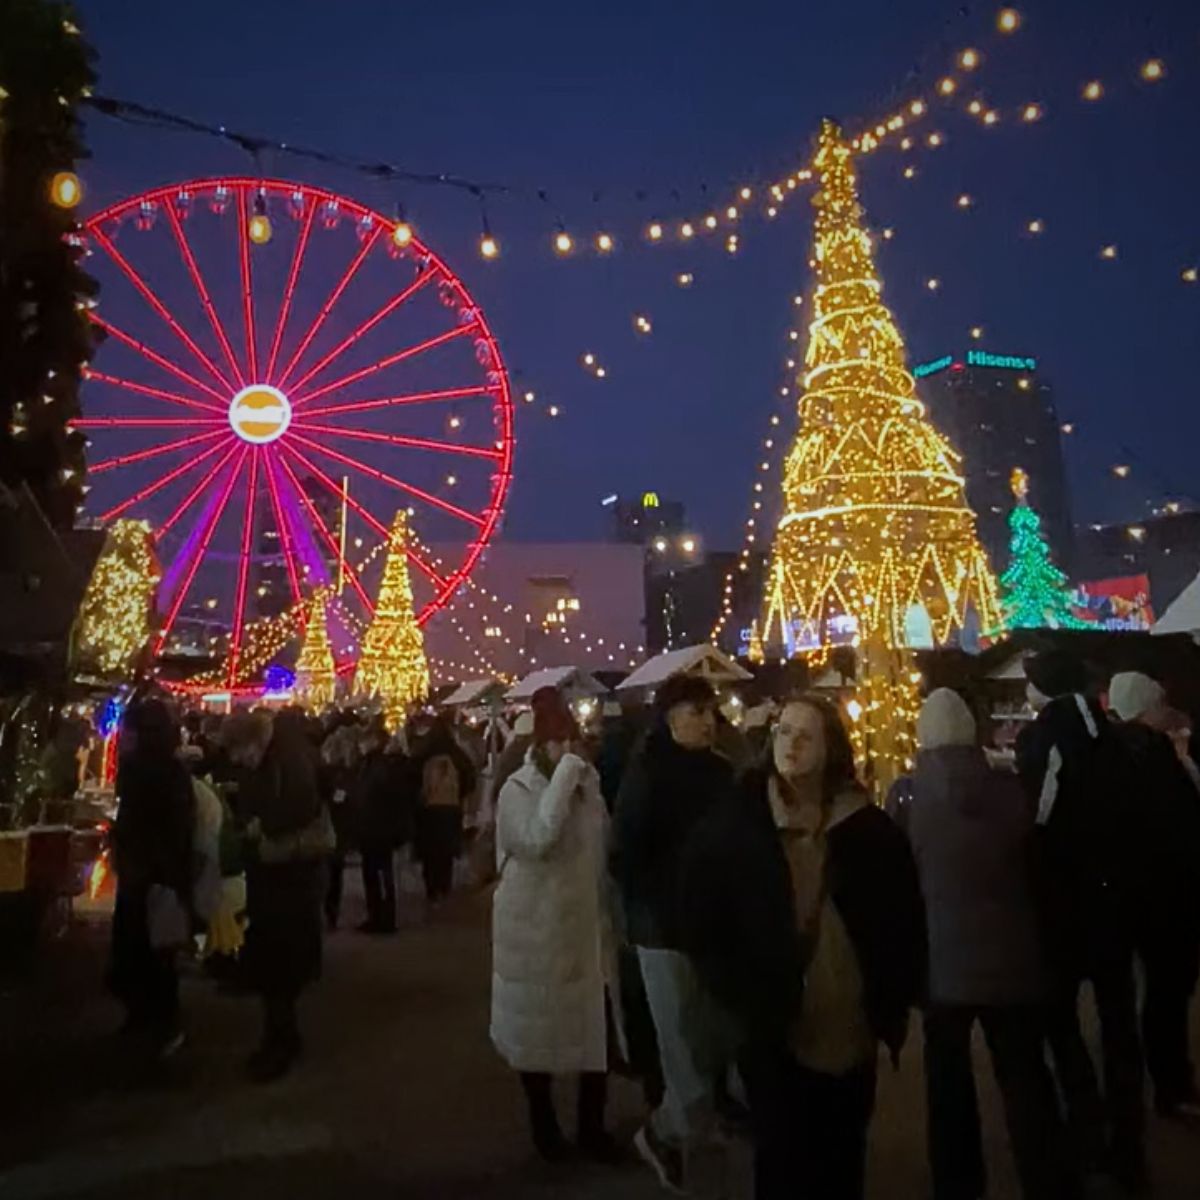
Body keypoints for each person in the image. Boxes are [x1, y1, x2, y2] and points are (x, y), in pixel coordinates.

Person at [681, 694, 925, 1200]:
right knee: (783, 1161)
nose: (791, 744)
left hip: (851, 1030)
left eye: (805, 735)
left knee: (842, 1159)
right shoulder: (738, 825)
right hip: (775, 1030)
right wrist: (739, 995)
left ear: (831, 748)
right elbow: (702, 921)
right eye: (783, 732)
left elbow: (901, 918)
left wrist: (892, 994)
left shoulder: (868, 829)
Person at [906, 689, 1081, 1200]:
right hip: (1013, 957)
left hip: (942, 963)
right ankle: (1048, 1177)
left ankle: (958, 1183)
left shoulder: (908, 795)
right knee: (1025, 1075)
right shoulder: (1009, 791)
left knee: (948, 1083)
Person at [1015, 650, 1146, 1189]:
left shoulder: (1052, 734)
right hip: (1115, 901)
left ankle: (1085, 1124)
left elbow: (1037, 817)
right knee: (1118, 1023)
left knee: (1059, 1018)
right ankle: (1128, 1143)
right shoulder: (1111, 735)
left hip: (1065, 904)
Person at [612, 674, 737, 1193]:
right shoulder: (647, 775)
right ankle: (666, 1134)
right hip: (664, 930)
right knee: (684, 1054)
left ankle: (684, 1135)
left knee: (711, 1043)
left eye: (710, 712)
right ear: (669, 717)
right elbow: (624, 857)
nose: (707, 722)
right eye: (695, 712)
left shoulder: (722, 774)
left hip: (714, 928)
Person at [490, 689, 616, 1161]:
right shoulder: (516, 790)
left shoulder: (587, 784)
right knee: (536, 1032)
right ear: (539, 745)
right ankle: (544, 1126)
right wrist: (566, 777)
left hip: (585, 927)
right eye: (558, 743)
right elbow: (536, 839)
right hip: (536, 929)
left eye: (572, 742)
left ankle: (592, 1127)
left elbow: (601, 845)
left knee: (593, 1030)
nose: (569, 752)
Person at [222, 708, 331, 1083]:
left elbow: (297, 809)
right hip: (276, 878)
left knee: (280, 963)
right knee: (275, 964)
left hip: (287, 877)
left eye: (240, 751)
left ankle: (281, 1041)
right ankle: (280, 1035)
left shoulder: (287, 761)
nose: (238, 760)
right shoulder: (279, 757)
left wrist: (259, 825)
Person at [1109, 671, 1200, 1120]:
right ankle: (1172, 1085)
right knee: (1167, 991)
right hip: (1167, 893)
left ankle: (1156, 1082)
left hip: (1139, 892)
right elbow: (1182, 824)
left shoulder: (1114, 753)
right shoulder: (1155, 756)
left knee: (1156, 992)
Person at [108, 699, 195, 1058]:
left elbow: (164, 825)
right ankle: (150, 1019)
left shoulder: (145, 771)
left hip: (149, 874)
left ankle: (156, 1021)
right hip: (155, 873)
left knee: (149, 951)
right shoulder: (170, 772)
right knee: (152, 952)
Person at [411, 715, 476, 908]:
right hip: (451, 808)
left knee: (429, 851)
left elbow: (412, 776)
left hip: (428, 809)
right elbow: (469, 777)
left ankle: (431, 888)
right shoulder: (456, 754)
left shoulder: (424, 752)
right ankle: (444, 886)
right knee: (445, 851)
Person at [355, 721, 404, 934]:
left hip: (376, 827)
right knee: (377, 873)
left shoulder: (375, 766)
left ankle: (382, 917)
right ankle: (379, 916)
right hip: (377, 826)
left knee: (378, 873)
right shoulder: (379, 765)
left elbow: (372, 796)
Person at [318, 726, 358, 932]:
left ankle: (327, 911)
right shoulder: (350, 773)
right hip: (341, 828)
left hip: (328, 827)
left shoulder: (326, 773)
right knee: (336, 873)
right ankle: (332, 912)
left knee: (327, 871)